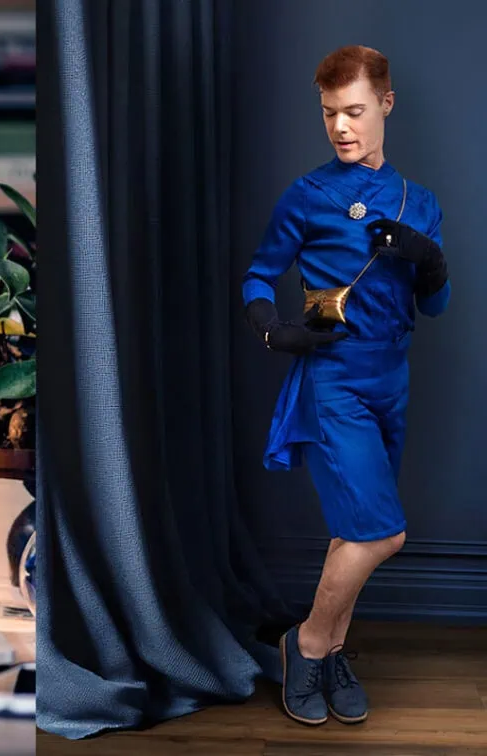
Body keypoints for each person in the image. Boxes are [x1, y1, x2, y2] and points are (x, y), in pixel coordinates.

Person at [241, 45, 450, 727]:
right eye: (329, 112)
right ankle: (304, 646)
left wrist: (428, 259)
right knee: (382, 533)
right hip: (333, 375)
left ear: (385, 105)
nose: (340, 127)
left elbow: (437, 307)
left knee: (351, 532)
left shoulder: (421, 202)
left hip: (394, 376)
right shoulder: (308, 195)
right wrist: (277, 332)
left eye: (354, 111)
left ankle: (332, 652)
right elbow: (256, 277)